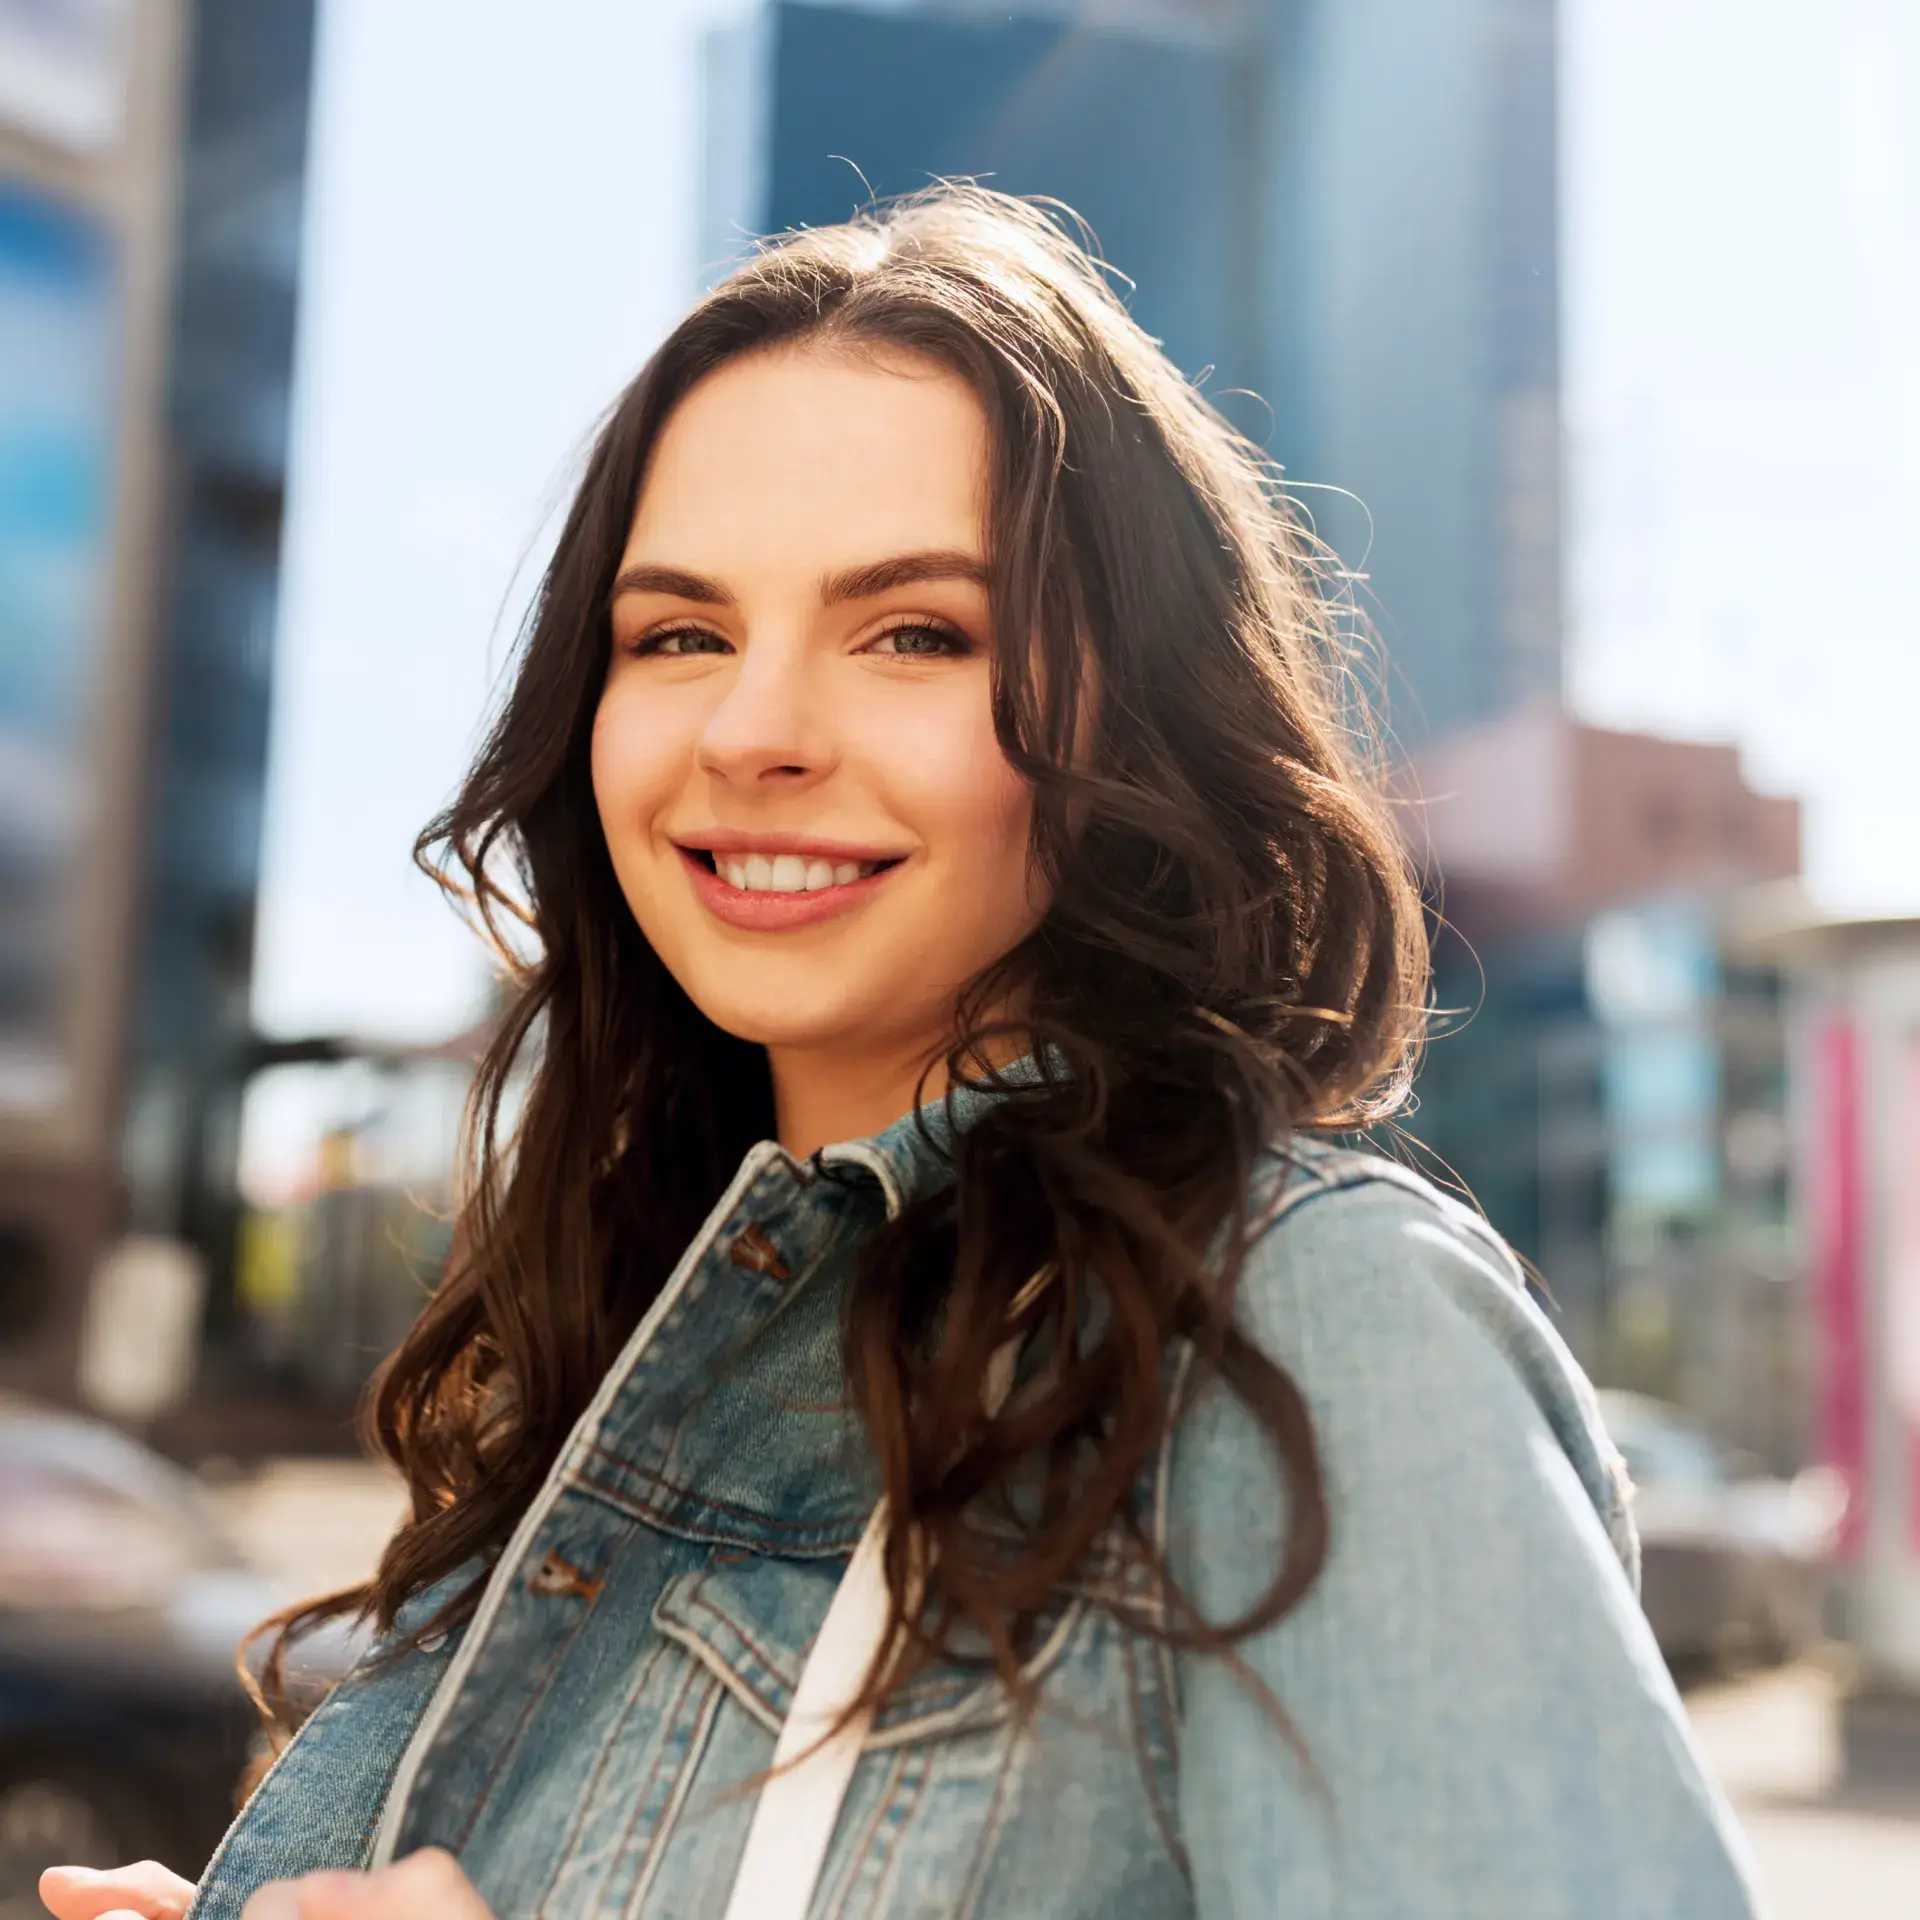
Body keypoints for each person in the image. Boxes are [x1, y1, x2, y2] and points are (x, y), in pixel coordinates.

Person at [43, 186, 1764, 1920]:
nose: (757, 730)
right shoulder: (627, 1346)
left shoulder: (1304, 1329)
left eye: (913, 634)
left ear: (1130, 719)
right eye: (680, 635)